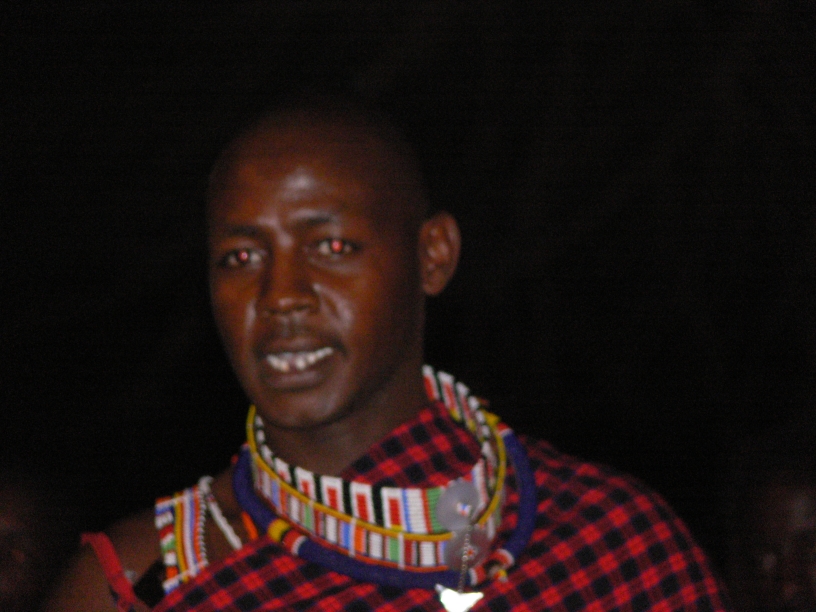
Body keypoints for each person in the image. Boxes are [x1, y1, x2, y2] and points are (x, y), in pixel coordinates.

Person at [43, 97, 732, 611]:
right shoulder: (143, 583)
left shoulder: (605, 537)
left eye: (331, 246)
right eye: (240, 257)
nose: (280, 295)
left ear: (433, 256)